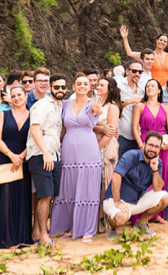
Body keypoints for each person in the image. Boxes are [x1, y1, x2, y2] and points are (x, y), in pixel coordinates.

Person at [50, 74, 104, 242]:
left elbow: (98, 112)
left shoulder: (93, 104)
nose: (82, 86)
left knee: (87, 189)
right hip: (68, 149)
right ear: (73, 87)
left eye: (85, 84)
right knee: (70, 187)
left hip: (88, 148)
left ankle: (88, 229)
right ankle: (71, 226)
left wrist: (98, 110)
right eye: (78, 83)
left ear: (90, 87)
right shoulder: (65, 104)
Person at [0, 85, 32, 250]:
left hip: (23, 161)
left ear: (26, 95)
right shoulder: (4, 114)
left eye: (19, 95)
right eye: (14, 95)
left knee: (20, 198)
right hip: (5, 158)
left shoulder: (33, 116)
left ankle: (19, 236)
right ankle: (5, 238)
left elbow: (33, 139)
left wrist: (22, 156)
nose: (17, 98)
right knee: (5, 198)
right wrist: (11, 155)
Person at [103, 133, 168, 240]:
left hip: (136, 201)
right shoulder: (131, 155)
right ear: (144, 145)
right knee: (121, 218)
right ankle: (111, 225)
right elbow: (116, 176)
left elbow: (158, 188)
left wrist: (155, 170)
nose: (153, 149)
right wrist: (117, 201)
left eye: (157, 147)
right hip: (115, 200)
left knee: (164, 197)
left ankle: (141, 224)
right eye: (150, 145)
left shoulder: (157, 163)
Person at [27, 74, 68, 246]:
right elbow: (35, 129)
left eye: (63, 87)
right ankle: (43, 234)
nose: (60, 90)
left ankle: (38, 230)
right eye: (56, 87)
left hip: (54, 154)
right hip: (41, 154)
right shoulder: (42, 105)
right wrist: (45, 152)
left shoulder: (60, 107)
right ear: (50, 88)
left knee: (50, 195)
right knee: (45, 195)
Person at [132, 79, 168, 222]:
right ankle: (142, 214)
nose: (150, 88)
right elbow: (134, 128)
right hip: (146, 144)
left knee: (161, 177)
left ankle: (157, 214)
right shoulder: (140, 106)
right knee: (144, 178)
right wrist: (142, 146)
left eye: (153, 86)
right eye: (147, 86)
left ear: (159, 90)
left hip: (162, 146)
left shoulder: (166, 107)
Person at [95, 76, 121, 232]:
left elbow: (111, 132)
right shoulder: (95, 104)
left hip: (106, 148)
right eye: (98, 85)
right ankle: (96, 220)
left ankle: (108, 221)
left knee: (106, 182)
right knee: (95, 184)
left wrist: (97, 148)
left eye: (102, 86)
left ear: (110, 89)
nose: (98, 88)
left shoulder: (112, 107)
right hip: (93, 145)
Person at [115, 61, 144, 158]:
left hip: (138, 136)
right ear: (127, 71)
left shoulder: (143, 89)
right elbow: (112, 107)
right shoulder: (118, 86)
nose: (137, 74)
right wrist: (129, 101)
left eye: (140, 72)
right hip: (121, 135)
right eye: (134, 71)